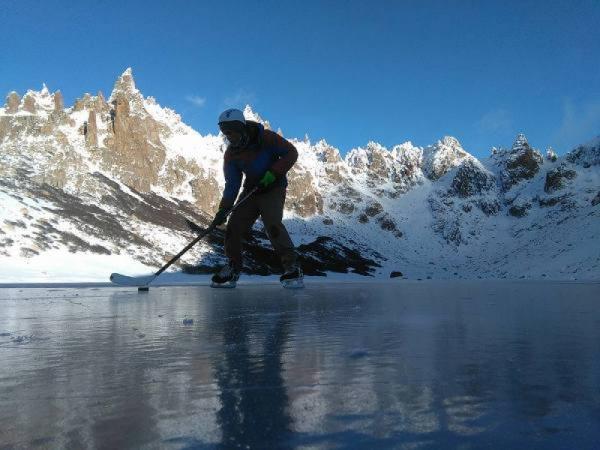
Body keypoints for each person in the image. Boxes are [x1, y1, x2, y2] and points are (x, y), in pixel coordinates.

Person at [211, 108, 302, 288]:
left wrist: (273, 174)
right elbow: (232, 184)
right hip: (251, 189)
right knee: (234, 227)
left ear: (242, 128)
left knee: (273, 224)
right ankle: (233, 268)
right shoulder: (231, 154)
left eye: (232, 133)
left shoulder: (266, 138)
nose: (230, 138)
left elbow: (291, 153)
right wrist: (224, 209)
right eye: (226, 134)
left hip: (273, 186)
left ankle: (292, 267)